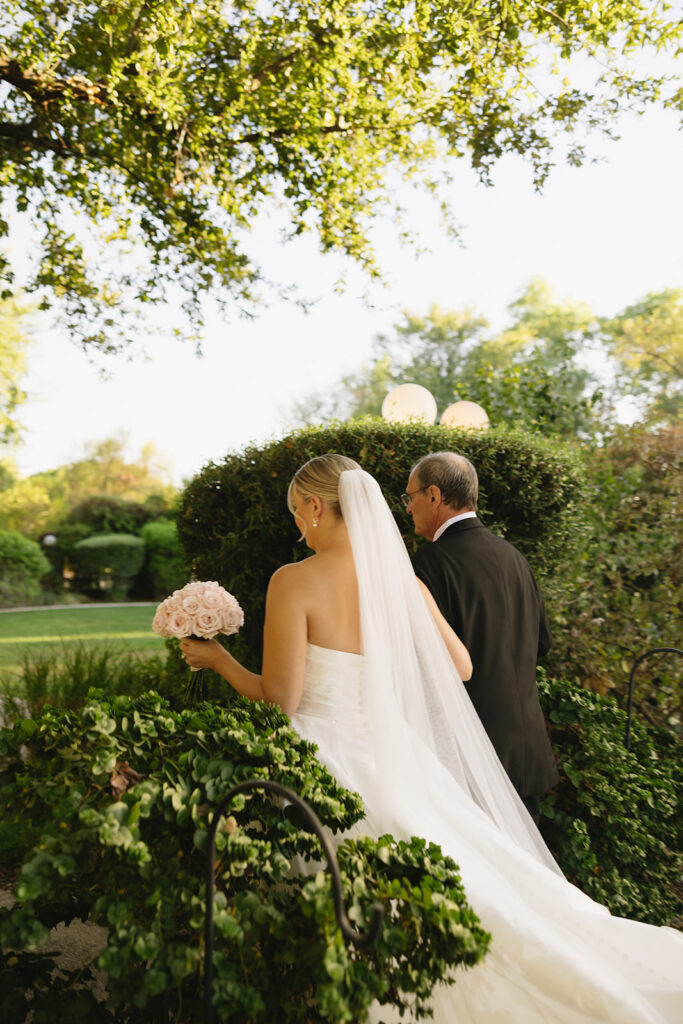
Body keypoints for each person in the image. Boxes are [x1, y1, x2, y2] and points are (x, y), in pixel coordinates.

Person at [181, 454, 682, 1024]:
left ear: (317, 507)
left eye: (298, 512)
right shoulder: (406, 585)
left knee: (344, 900)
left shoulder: (293, 580)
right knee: (462, 883)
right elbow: (462, 667)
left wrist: (218, 660)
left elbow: (281, 700)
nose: (298, 525)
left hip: (326, 763)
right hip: (396, 755)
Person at [407, 451, 558, 822]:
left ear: (434, 495)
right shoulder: (514, 557)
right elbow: (542, 644)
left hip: (473, 755)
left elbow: (423, 664)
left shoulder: (427, 565)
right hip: (526, 749)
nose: (408, 507)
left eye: (409, 497)